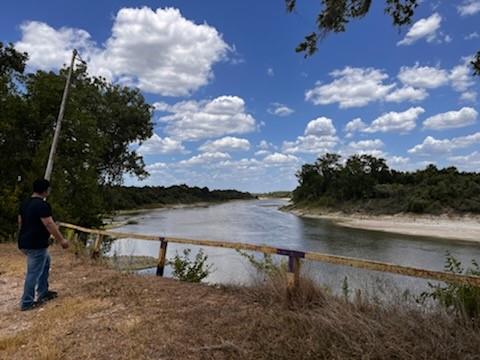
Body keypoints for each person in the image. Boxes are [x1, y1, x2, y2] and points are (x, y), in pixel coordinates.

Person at [18, 178, 69, 311]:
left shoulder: (25, 203)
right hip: (36, 244)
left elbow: (20, 223)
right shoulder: (42, 205)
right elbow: (49, 224)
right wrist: (61, 240)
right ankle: (27, 302)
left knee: (45, 263)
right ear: (45, 190)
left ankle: (43, 292)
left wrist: (21, 240)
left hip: (27, 242)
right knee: (33, 273)